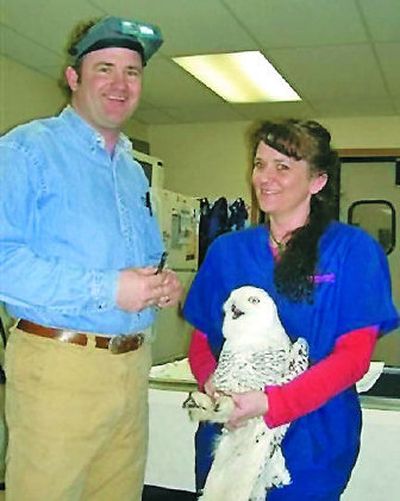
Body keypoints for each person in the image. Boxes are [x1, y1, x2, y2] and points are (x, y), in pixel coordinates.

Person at [0, 15, 182, 501]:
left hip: (131, 364)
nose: (121, 84)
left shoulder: (132, 170)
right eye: (105, 68)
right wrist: (110, 289)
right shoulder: (25, 150)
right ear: (74, 77)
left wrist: (161, 284)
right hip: (59, 366)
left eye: (132, 72)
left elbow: (140, 260)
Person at [183, 119, 399, 500]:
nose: (266, 177)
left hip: (313, 437)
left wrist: (271, 404)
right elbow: (202, 342)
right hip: (231, 431)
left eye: (283, 167)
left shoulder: (352, 251)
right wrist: (211, 382)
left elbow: (353, 358)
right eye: (260, 164)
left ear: (317, 181)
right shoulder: (228, 252)